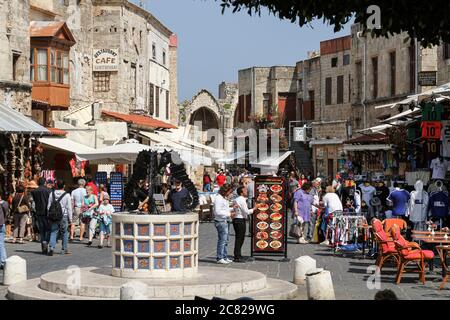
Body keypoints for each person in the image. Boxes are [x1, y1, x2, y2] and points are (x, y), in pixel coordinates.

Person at [47, 180, 72, 255]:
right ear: (64, 186)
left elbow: (48, 206)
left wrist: (49, 215)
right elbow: (69, 208)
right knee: (64, 232)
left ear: (56, 185)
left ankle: (51, 247)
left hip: (54, 216)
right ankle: (64, 249)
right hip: (63, 216)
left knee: (53, 231)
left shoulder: (52, 194)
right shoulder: (67, 195)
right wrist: (70, 219)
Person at [232, 186, 256, 262]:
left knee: (239, 238)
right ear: (241, 192)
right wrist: (254, 208)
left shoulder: (236, 199)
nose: (247, 191)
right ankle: (237, 256)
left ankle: (238, 255)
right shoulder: (242, 200)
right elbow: (246, 212)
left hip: (236, 219)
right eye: (245, 190)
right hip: (240, 220)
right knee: (240, 239)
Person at [213, 183, 236, 264]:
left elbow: (224, 209)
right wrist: (230, 214)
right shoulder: (218, 198)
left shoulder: (223, 198)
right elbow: (217, 211)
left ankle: (224, 256)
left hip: (225, 220)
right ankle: (220, 257)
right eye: (229, 192)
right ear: (225, 191)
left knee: (226, 240)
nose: (230, 194)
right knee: (222, 240)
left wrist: (232, 208)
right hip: (220, 221)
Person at [0, 193, 9, 269]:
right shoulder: (4, 203)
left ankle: (3, 261)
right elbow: (6, 213)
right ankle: (3, 261)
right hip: (1, 223)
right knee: (1, 243)